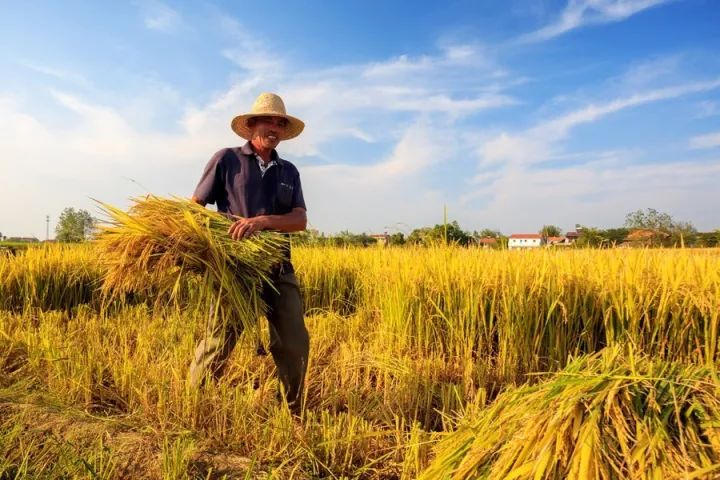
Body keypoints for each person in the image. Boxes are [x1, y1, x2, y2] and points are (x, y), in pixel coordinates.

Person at [188, 92, 309, 411]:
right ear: (251, 124)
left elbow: (300, 220)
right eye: (269, 120)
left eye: (280, 122)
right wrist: (214, 243)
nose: (275, 127)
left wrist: (262, 222)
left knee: (294, 342)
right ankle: (193, 404)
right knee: (218, 341)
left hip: (279, 268)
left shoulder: (289, 172)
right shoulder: (226, 160)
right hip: (237, 268)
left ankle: (293, 410)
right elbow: (195, 209)